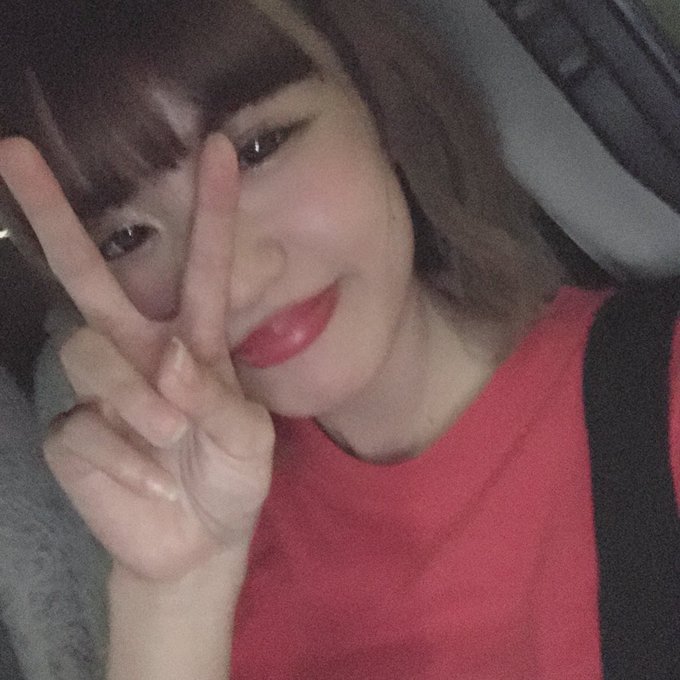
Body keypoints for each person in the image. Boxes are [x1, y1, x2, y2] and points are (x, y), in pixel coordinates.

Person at [0, 1, 676, 678]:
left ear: (377, 107)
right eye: (127, 237)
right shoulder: (199, 535)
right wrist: (175, 599)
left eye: (259, 149)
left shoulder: (658, 396)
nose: (237, 281)